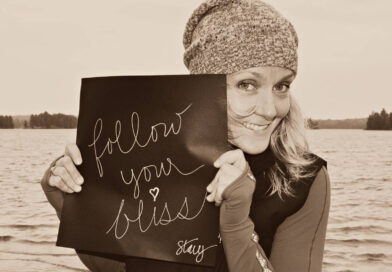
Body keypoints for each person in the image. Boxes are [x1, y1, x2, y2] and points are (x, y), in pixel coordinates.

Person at [41, 0, 331, 271]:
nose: (270, 109)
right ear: (205, 86)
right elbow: (119, 266)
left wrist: (237, 220)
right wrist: (68, 203)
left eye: (282, 86)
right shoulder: (151, 160)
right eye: (247, 84)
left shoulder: (301, 180)